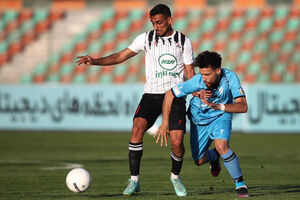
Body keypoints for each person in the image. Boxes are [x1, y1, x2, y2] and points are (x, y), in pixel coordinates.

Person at [76, 4, 195, 196]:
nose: (156, 26)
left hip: (176, 96)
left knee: (177, 141)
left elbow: (189, 72)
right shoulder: (146, 38)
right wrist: (96, 61)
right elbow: (121, 56)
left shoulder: (183, 41)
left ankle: (175, 176)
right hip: (151, 95)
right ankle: (134, 181)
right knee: (137, 127)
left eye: (159, 22)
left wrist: (196, 91)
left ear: (169, 20)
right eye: (153, 23)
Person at [155, 51, 250, 198]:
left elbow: (243, 106)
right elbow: (170, 94)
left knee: (222, 145)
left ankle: (240, 185)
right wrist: (165, 123)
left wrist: (220, 106)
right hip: (198, 120)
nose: (203, 78)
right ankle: (214, 157)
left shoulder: (230, 78)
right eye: (202, 74)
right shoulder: (196, 81)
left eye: (207, 74)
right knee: (198, 161)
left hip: (220, 116)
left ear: (218, 71)